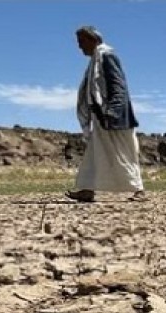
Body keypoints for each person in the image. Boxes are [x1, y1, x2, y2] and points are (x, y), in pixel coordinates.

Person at [66, 26, 145, 203]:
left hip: (114, 116)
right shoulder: (96, 59)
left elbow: (119, 87)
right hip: (102, 116)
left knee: (124, 154)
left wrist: (112, 112)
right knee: (95, 154)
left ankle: (139, 190)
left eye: (82, 42)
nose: (80, 47)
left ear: (93, 39)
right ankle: (87, 190)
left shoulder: (107, 56)